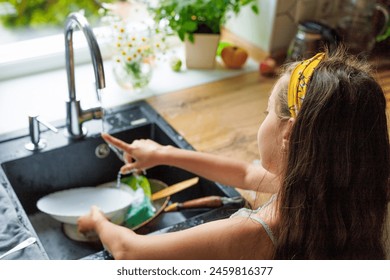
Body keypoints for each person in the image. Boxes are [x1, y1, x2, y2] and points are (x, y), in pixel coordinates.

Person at [77, 48, 390, 259]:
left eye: (266, 111)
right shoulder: (343, 189)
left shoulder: (258, 233)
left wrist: (99, 220)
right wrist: (164, 153)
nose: (263, 118)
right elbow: (246, 174)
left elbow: (131, 252)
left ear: (288, 134)